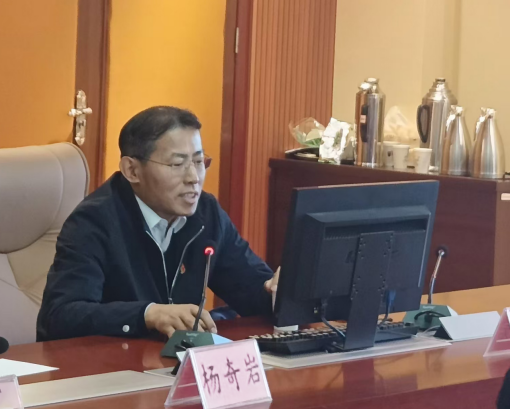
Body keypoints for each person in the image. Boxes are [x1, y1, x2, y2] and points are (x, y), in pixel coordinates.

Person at [37, 106, 279, 341]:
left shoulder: (206, 213)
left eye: (198, 161)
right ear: (132, 170)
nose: (193, 178)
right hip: (113, 362)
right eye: (177, 164)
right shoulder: (94, 221)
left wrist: (277, 291)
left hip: (174, 360)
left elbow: (251, 290)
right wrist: (147, 315)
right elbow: (61, 317)